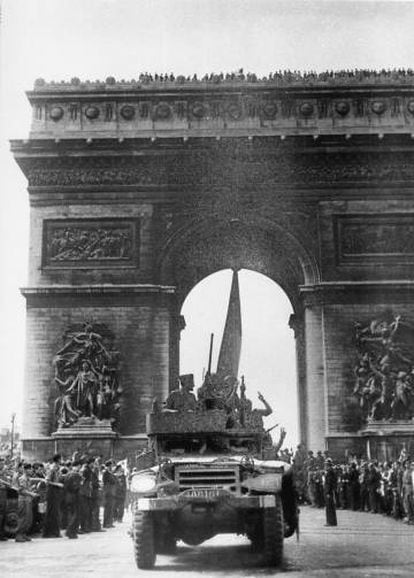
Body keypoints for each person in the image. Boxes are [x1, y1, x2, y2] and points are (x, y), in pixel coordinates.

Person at [42, 454, 63, 538]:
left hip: (56, 491)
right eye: (61, 459)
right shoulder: (52, 468)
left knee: (56, 512)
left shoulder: (57, 468)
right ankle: (49, 532)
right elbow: (47, 481)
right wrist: (57, 484)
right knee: (52, 512)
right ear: (58, 460)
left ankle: (55, 532)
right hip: (51, 491)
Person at [63, 461, 82, 539]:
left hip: (67, 496)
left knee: (70, 514)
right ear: (77, 466)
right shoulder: (76, 475)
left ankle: (69, 531)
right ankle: (71, 532)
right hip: (74, 496)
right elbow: (76, 486)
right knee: (75, 514)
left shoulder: (68, 474)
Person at [323, 458, 337, 526]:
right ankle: (332, 521)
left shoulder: (329, 472)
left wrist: (328, 492)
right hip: (330, 491)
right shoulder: (331, 471)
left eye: (326, 465)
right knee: (330, 507)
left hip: (329, 491)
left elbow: (329, 483)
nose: (325, 466)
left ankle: (330, 522)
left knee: (329, 507)